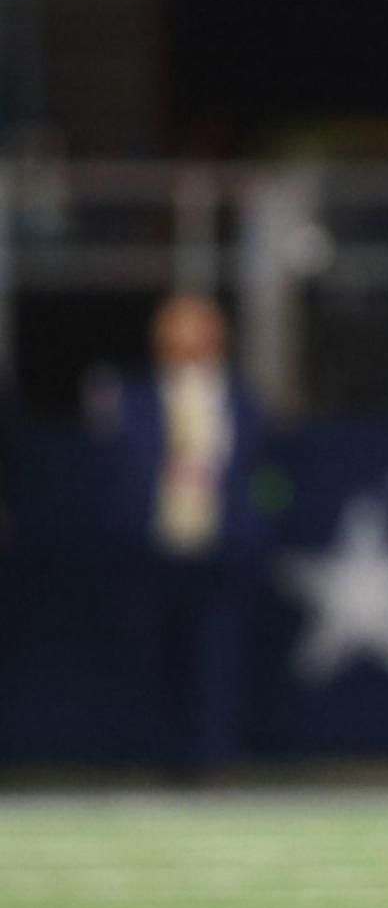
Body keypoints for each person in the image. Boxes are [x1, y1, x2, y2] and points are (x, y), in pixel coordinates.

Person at [108, 295, 265, 778]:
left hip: (223, 550)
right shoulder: (130, 401)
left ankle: (212, 762)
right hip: (152, 549)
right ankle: (161, 763)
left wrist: (259, 526)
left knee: (219, 661)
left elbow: (271, 481)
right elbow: (115, 475)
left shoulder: (245, 402)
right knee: (155, 660)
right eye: (179, 331)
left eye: (200, 331)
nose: (189, 343)